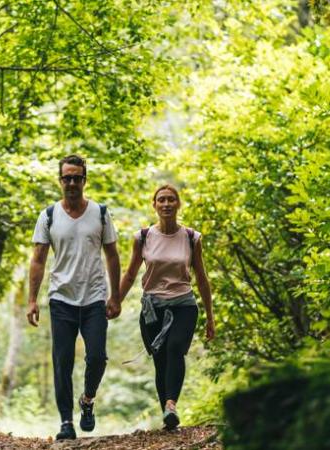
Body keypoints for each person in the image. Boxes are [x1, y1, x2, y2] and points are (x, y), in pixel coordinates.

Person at [27, 154, 122, 441]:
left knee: (97, 358)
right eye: (66, 177)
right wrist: (32, 299)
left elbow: (113, 256)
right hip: (61, 299)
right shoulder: (49, 215)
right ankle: (66, 422)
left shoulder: (101, 213)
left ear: (84, 180)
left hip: (94, 299)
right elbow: (38, 260)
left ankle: (88, 400)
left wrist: (115, 296)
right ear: (60, 180)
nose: (71, 182)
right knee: (63, 362)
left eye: (76, 178)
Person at [116, 184, 215, 430]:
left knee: (174, 349)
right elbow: (130, 274)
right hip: (152, 309)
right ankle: (168, 417)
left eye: (171, 199)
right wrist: (114, 301)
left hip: (183, 305)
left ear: (178, 204)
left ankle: (171, 404)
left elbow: (202, 278)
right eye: (161, 200)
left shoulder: (192, 238)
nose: (166, 204)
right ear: (154, 205)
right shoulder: (143, 237)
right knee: (160, 361)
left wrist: (211, 317)